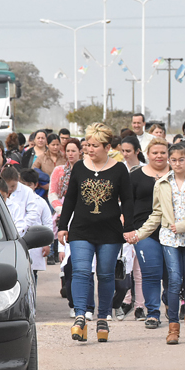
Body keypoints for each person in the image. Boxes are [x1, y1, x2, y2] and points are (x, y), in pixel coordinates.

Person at [57, 122, 136, 344]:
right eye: (87, 145)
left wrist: (128, 227)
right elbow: (70, 198)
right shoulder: (79, 168)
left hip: (110, 232)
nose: (89, 149)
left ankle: (103, 317)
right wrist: (63, 226)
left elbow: (128, 201)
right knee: (81, 271)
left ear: (107, 146)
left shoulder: (119, 169)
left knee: (105, 274)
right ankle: (80, 316)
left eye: (94, 145)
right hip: (81, 229)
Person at [130, 142, 185, 345]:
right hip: (169, 238)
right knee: (174, 281)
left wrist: (184, 225)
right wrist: (140, 234)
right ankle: (173, 326)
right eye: (173, 160)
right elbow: (156, 213)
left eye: (181, 160)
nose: (177, 163)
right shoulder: (162, 183)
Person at [127, 138, 172, 327]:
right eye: (155, 153)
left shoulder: (177, 173)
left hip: (173, 231)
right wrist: (128, 229)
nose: (159, 156)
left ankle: (172, 307)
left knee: (173, 274)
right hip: (144, 232)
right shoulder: (135, 176)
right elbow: (127, 205)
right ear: (147, 154)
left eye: (163, 152)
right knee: (151, 273)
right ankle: (153, 312)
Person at [20, 169, 53, 284]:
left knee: (33, 273)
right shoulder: (14, 200)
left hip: (35, 244)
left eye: (30, 185)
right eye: (24, 184)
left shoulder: (41, 202)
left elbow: (48, 223)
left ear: (35, 185)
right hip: (19, 240)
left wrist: (47, 244)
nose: (27, 187)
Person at [2, 166, 41, 237]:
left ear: (18, 179)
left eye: (13, 186)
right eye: (7, 186)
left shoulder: (27, 191)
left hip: (24, 232)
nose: (10, 189)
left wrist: (21, 227)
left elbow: (33, 213)